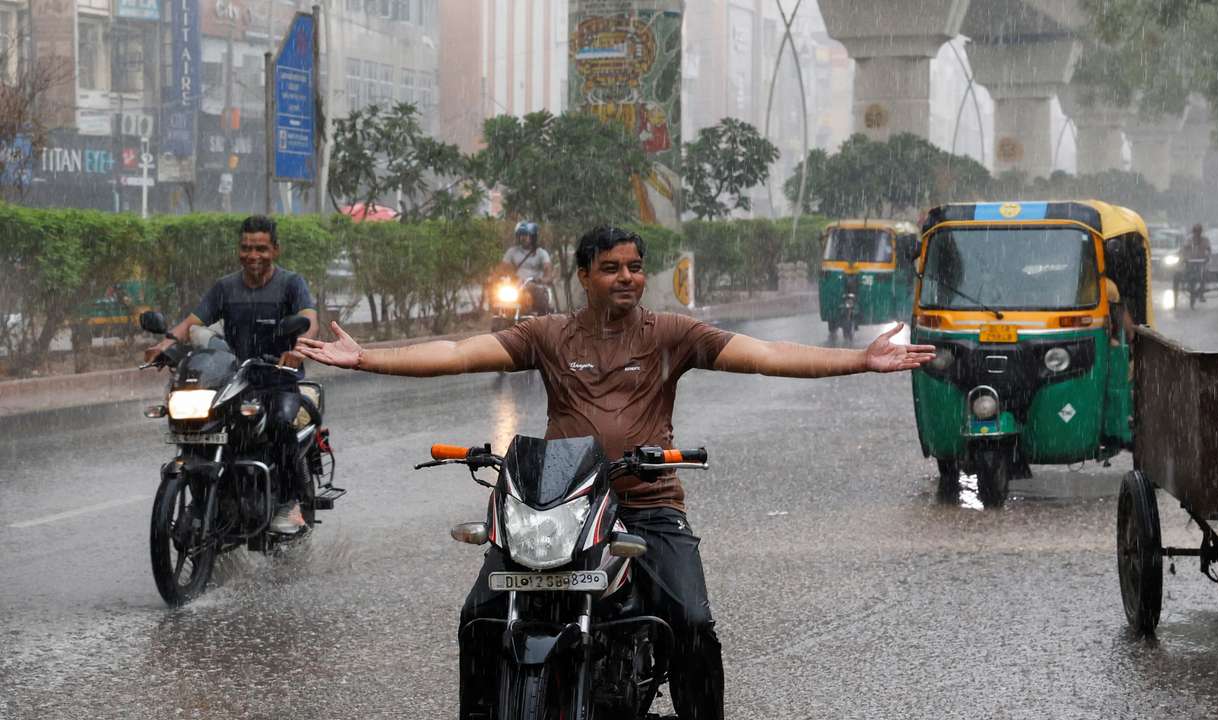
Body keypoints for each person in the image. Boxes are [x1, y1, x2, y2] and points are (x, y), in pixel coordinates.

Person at [296, 226, 935, 720]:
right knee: (480, 616)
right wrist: (367, 359)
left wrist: (858, 360)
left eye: (634, 267)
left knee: (689, 621)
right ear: (583, 277)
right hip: (557, 508)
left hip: (648, 505)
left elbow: (767, 354)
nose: (626, 277)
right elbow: (459, 353)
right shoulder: (547, 335)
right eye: (611, 268)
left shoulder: (672, 335)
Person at [145, 215, 319, 534]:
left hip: (278, 378)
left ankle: (288, 503)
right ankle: (205, 501)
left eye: (261, 248)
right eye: (247, 248)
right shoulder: (225, 287)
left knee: (280, 423)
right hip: (235, 380)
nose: (253, 255)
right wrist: (166, 343)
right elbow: (192, 323)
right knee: (199, 424)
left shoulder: (292, 284)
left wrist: (301, 348)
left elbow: (308, 318)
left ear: (275, 250)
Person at [497, 221, 555, 315]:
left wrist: (543, 279)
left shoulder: (541, 253)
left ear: (533, 237)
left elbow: (548, 271)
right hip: (516, 285)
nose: (523, 238)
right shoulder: (512, 252)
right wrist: (503, 277)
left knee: (539, 294)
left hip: (535, 285)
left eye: (526, 235)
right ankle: (500, 316)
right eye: (521, 235)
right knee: (499, 295)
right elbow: (502, 268)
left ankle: (541, 318)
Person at [1181, 223, 1212, 302]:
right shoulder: (1189, 240)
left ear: (1201, 232)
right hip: (1191, 261)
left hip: (1202, 262)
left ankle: (1201, 293)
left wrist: (1207, 256)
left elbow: (1208, 250)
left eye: (1199, 231)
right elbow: (1184, 249)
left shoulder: (1205, 240)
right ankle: (1188, 285)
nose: (1197, 233)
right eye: (1195, 231)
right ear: (1193, 231)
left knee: (1204, 275)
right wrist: (1185, 257)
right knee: (1187, 272)